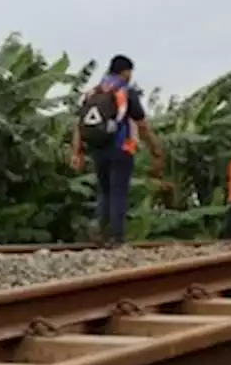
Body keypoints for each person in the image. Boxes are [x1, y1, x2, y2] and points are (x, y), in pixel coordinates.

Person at [70, 54, 163, 247]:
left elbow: (79, 124)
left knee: (104, 191)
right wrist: (154, 148)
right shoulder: (125, 92)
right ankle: (116, 238)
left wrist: (76, 152)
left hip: (98, 149)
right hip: (121, 148)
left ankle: (101, 232)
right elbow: (142, 125)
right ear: (126, 72)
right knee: (118, 192)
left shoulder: (92, 93)